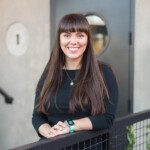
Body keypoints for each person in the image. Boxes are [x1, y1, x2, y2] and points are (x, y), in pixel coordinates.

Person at [32, 13, 118, 142]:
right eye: (66, 35)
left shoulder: (104, 72)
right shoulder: (49, 73)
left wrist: (70, 126)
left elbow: (107, 118)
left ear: (87, 40)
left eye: (80, 35)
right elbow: (37, 116)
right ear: (59, 39)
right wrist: (49, 132)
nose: (73, 41)